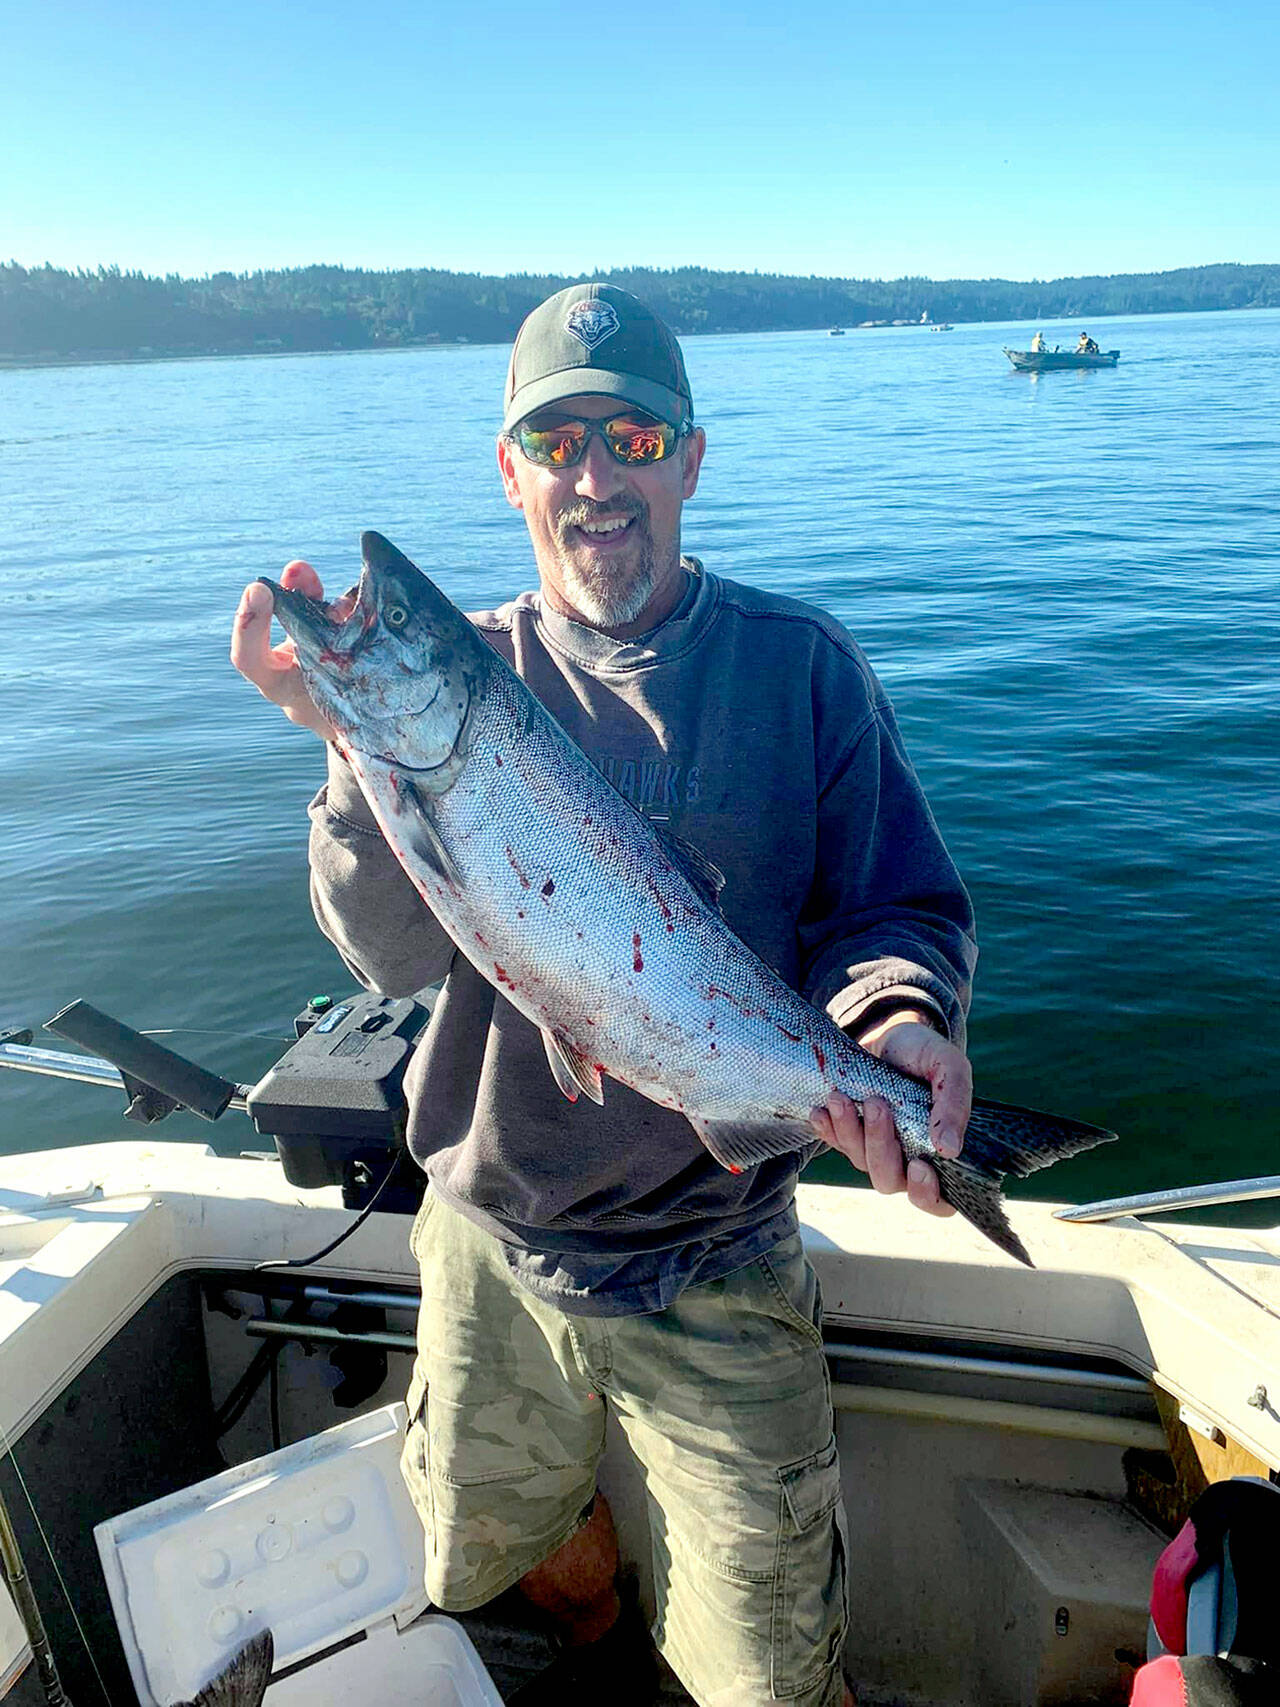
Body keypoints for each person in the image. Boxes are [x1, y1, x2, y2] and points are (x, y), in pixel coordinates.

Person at [232, 283, 978, 1707]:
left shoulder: (798, 669)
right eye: (556, 442)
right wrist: (345, 749)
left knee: (768, 1677)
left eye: (632, 440)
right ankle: (599, 1645)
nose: (595, 479)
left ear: (690, 458)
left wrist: (896, 1029)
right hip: (491, 1245)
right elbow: (394, 960)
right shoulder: (471, 680)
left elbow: (892, 911)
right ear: (508, 471)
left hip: (721, 1249)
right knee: (506, 1553)